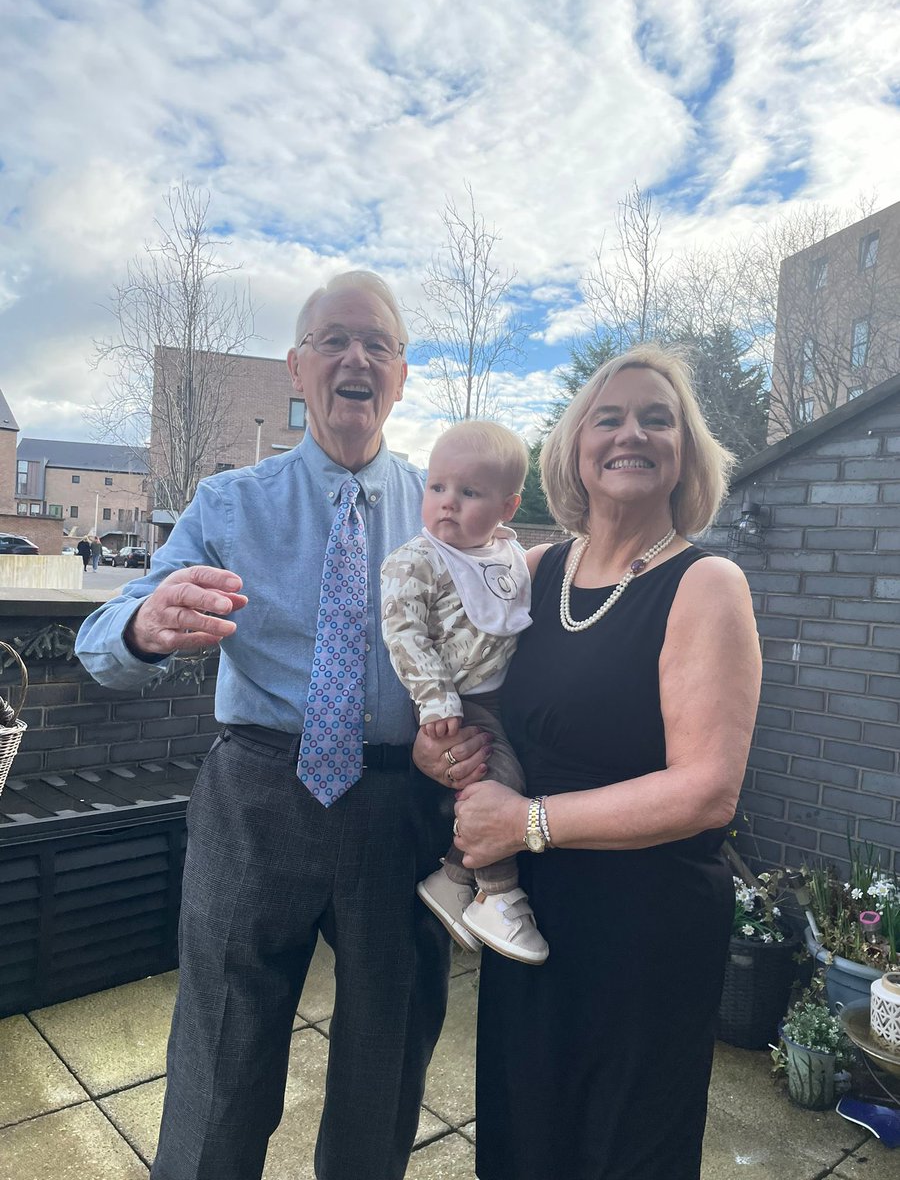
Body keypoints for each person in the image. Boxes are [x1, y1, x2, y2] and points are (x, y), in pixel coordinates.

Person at [75, 271, 477, 1180]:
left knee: (388, 1057)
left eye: (377, 343)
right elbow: (102, 642)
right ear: (297, 368)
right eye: (333, 340)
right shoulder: (226, 506)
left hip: (401, 808)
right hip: (256, 798)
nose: (355, 358)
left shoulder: (443, 513)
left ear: (404, 376)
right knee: (221, 1055)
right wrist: (143, 626)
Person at [414, 344, 762, 1180]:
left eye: (657, 418)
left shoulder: (706, 584)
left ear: (686, 448)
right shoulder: (531, 573)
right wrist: (447, 748)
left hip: (645, 928)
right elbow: (481, 702)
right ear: (574, 445)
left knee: (620, 1151)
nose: (630, 434)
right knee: (523, 1137)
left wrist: (524, 822)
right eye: (608, 417)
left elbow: (708, 790)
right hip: (533, 919)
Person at [381, 421, 548, 965]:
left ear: (507, 505)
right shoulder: (416, 560)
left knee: (493, 774)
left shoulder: (502, 555)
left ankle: (454, 880)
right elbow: (402, 634)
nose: (447, 503)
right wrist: (435, 699)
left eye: (469, 492)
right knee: (496, 782)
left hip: (498, 694)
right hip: (458, 698)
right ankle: (497, 894)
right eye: (437, 488)